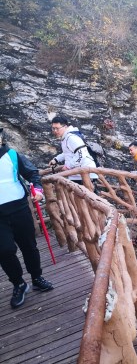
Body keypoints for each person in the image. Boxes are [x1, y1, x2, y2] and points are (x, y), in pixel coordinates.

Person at [0, 128, 53, 309]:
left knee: (29, 246)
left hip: (20, 209)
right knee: (4, 251)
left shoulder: (13, 155)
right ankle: (19, 284)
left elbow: (32, 173)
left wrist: (37, 189)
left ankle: (36, 277)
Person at [48, 116, 98, 186]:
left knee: (84, 195)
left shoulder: (72, 138)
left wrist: (68, 166)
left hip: (84, 172)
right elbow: (69, 152)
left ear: (65, 126)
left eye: (57, 128)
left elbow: (81, 154)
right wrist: (56, 159)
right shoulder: (66, 137)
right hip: (77, 173)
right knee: (78, 195)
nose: (55, 131)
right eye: (53, 128)